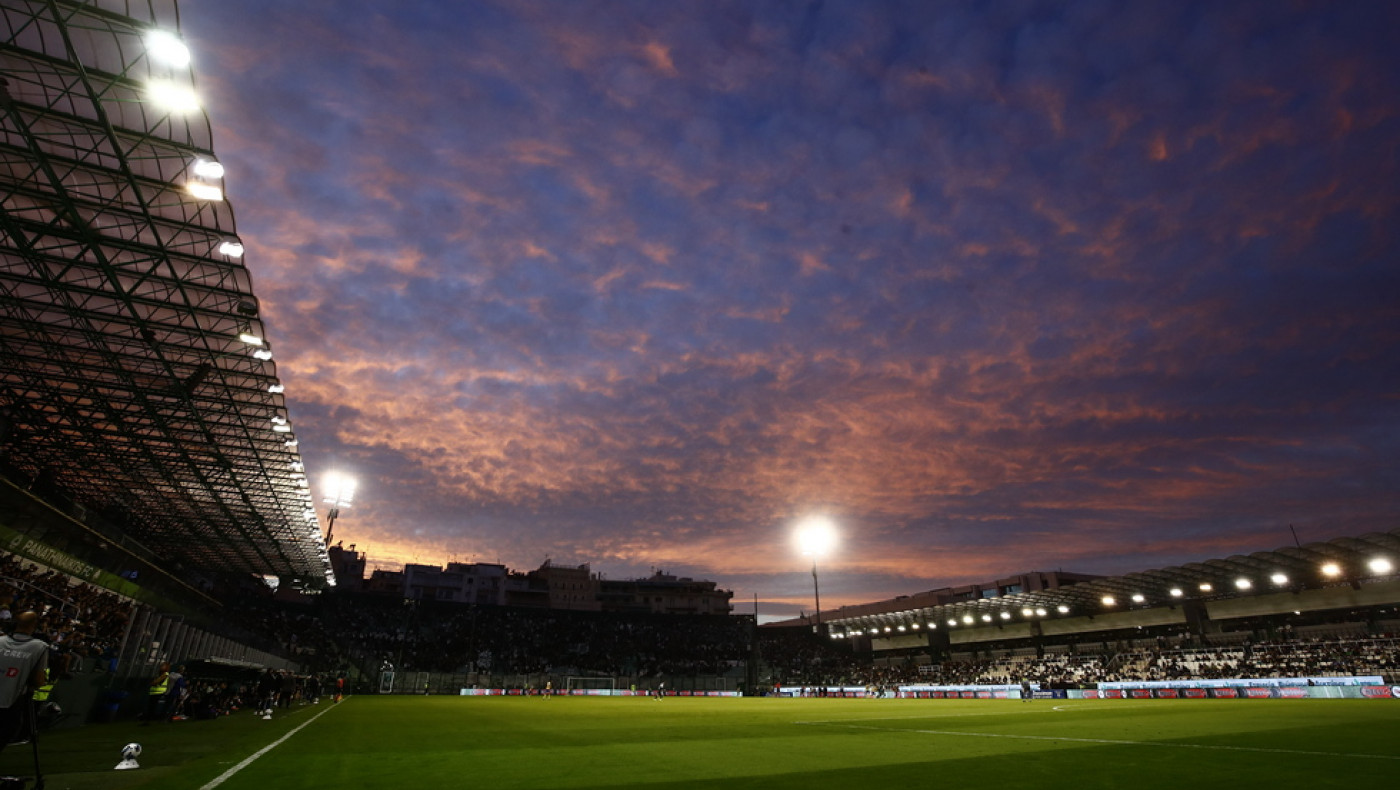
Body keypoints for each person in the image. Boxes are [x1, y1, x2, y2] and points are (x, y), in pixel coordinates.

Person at [0, 611, 50, 752]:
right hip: (12, 700)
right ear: (34, 625)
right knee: (7, 731)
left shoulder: (1, 640)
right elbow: (38, 680)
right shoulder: (39, 647)